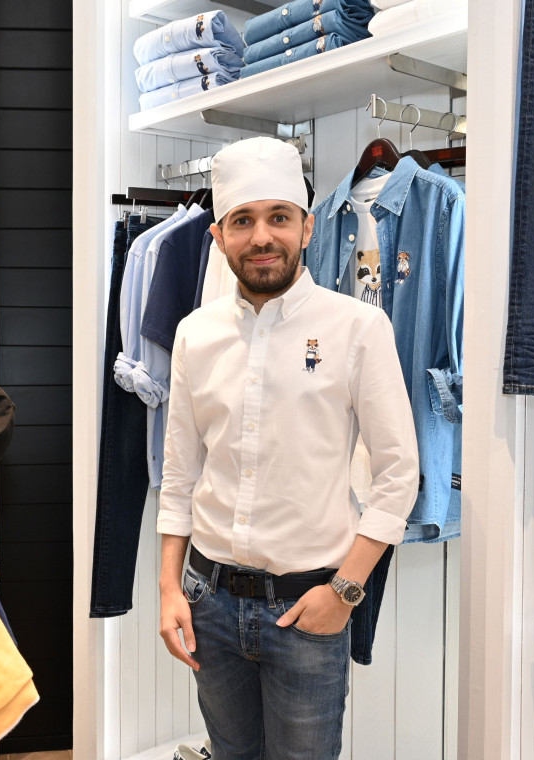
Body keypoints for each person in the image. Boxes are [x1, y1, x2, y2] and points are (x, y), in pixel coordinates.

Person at [156, 137, 419, 760]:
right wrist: (169, 589)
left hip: (308, 609)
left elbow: (398, 473)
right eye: (242, 221)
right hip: (208, 602)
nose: (261, 237)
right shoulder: (195, 334)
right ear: (219, 237)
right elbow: (180, 473)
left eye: (278, 217)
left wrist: (344, 593)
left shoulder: (358, 328)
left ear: (306, 227)